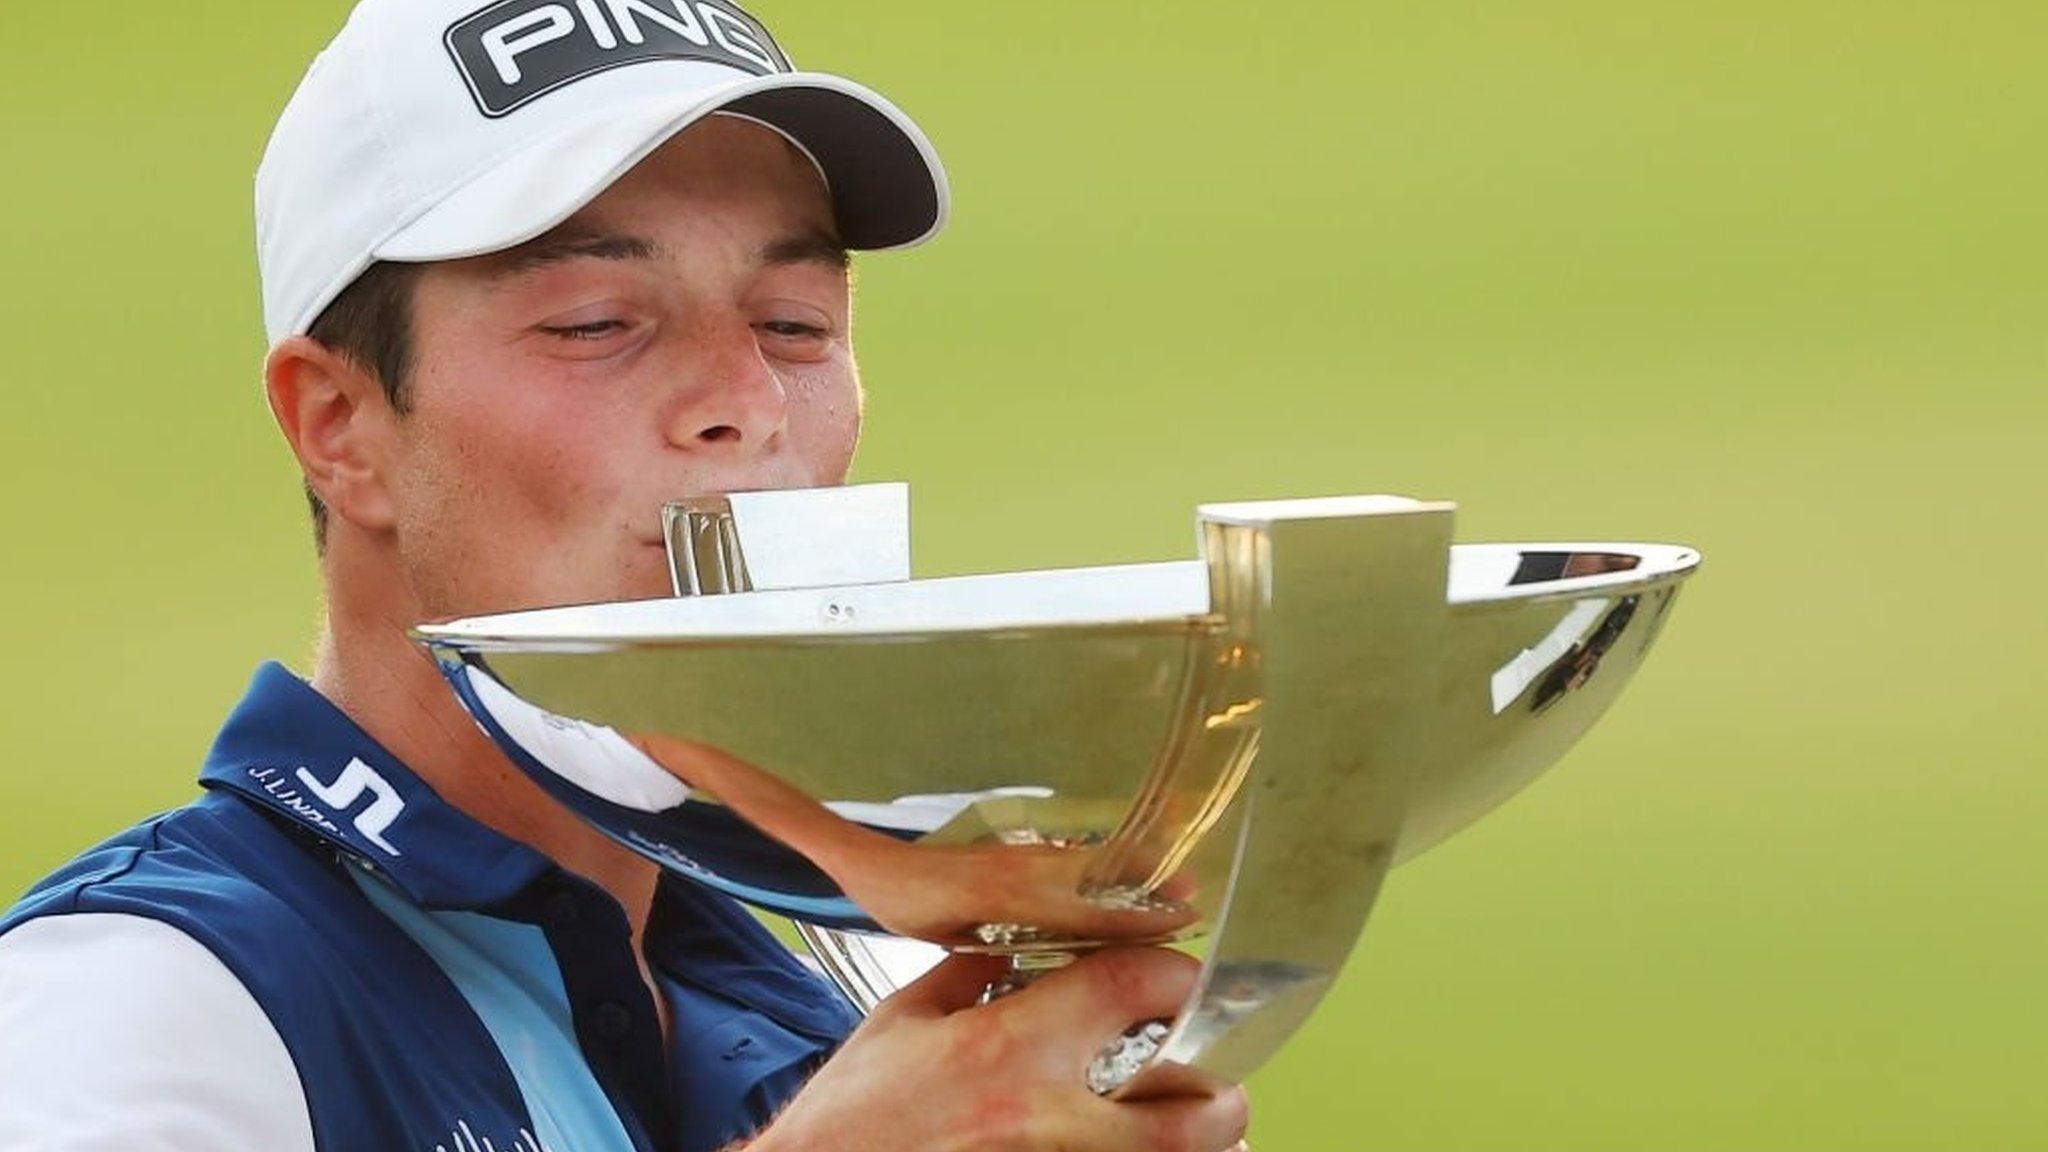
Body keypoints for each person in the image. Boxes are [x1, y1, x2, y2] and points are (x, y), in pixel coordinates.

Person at [0, 1, 1252, 1150]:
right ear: (340, 424)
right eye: (596, 323)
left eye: (794, 323)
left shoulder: (849, 977)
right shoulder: (134, 1000)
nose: (748, 406)